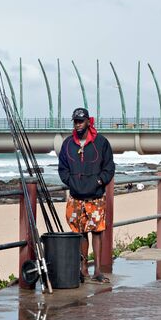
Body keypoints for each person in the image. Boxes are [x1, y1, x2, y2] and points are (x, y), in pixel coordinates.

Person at [58, 107, 115, 284]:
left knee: (97, 231)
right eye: (75, 121)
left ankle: (97, 270)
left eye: (81, 121)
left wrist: (99, 182)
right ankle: (83, 270)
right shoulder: (68, 144)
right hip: (75, 196)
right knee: (79, 232)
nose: (78, 125)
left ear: (88, 122)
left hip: (96, 197)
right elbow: (62, 169)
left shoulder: (101, 142)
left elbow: (109, 168)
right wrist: (72, 182)